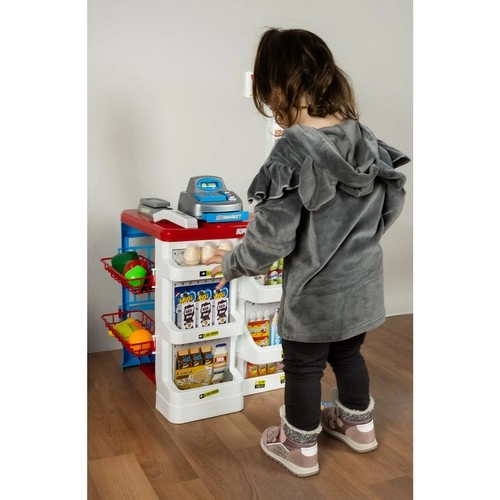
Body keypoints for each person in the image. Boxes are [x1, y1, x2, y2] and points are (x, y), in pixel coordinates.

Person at [206, 27, 410, 477]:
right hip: (361, 285)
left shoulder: (292, 154)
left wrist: (234, 262)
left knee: (302, 367)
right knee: (349, 355)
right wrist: (360, 243)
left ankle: (299, 447)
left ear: (275, 88)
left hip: (314, 294)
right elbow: (391, 203)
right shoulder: (365, 139)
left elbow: (271, 239)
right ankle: (359, 427)